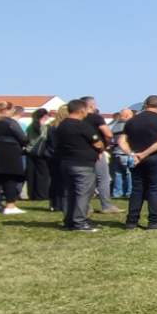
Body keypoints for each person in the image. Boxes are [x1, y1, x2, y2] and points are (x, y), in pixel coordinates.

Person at [118, 94, 157, 230]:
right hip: (156, 157)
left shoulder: (132, 120)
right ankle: (154, 220)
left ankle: (131, 221)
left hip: (136, 158)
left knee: (137, 189)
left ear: (145, 104)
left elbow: (121, 141)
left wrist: (132, 154)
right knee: (155, 189)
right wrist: (144, 154)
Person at [54, 99, 106, 232]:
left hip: (66, 162)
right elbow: (97, 143)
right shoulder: (82, 126)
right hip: (83, 164)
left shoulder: (61, 125)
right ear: (82, 110)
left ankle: (69, 220)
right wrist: (100, 147)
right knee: (83, 193)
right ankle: (80, 222)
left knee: (68, 193)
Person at [25, 107, 54, 206]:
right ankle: (41, 194)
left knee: (31, 174)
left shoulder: (30, 126)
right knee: (43, 175)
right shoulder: (45, 128)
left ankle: (31, 194)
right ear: (45, 116)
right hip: (41, 153)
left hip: (30, 152)